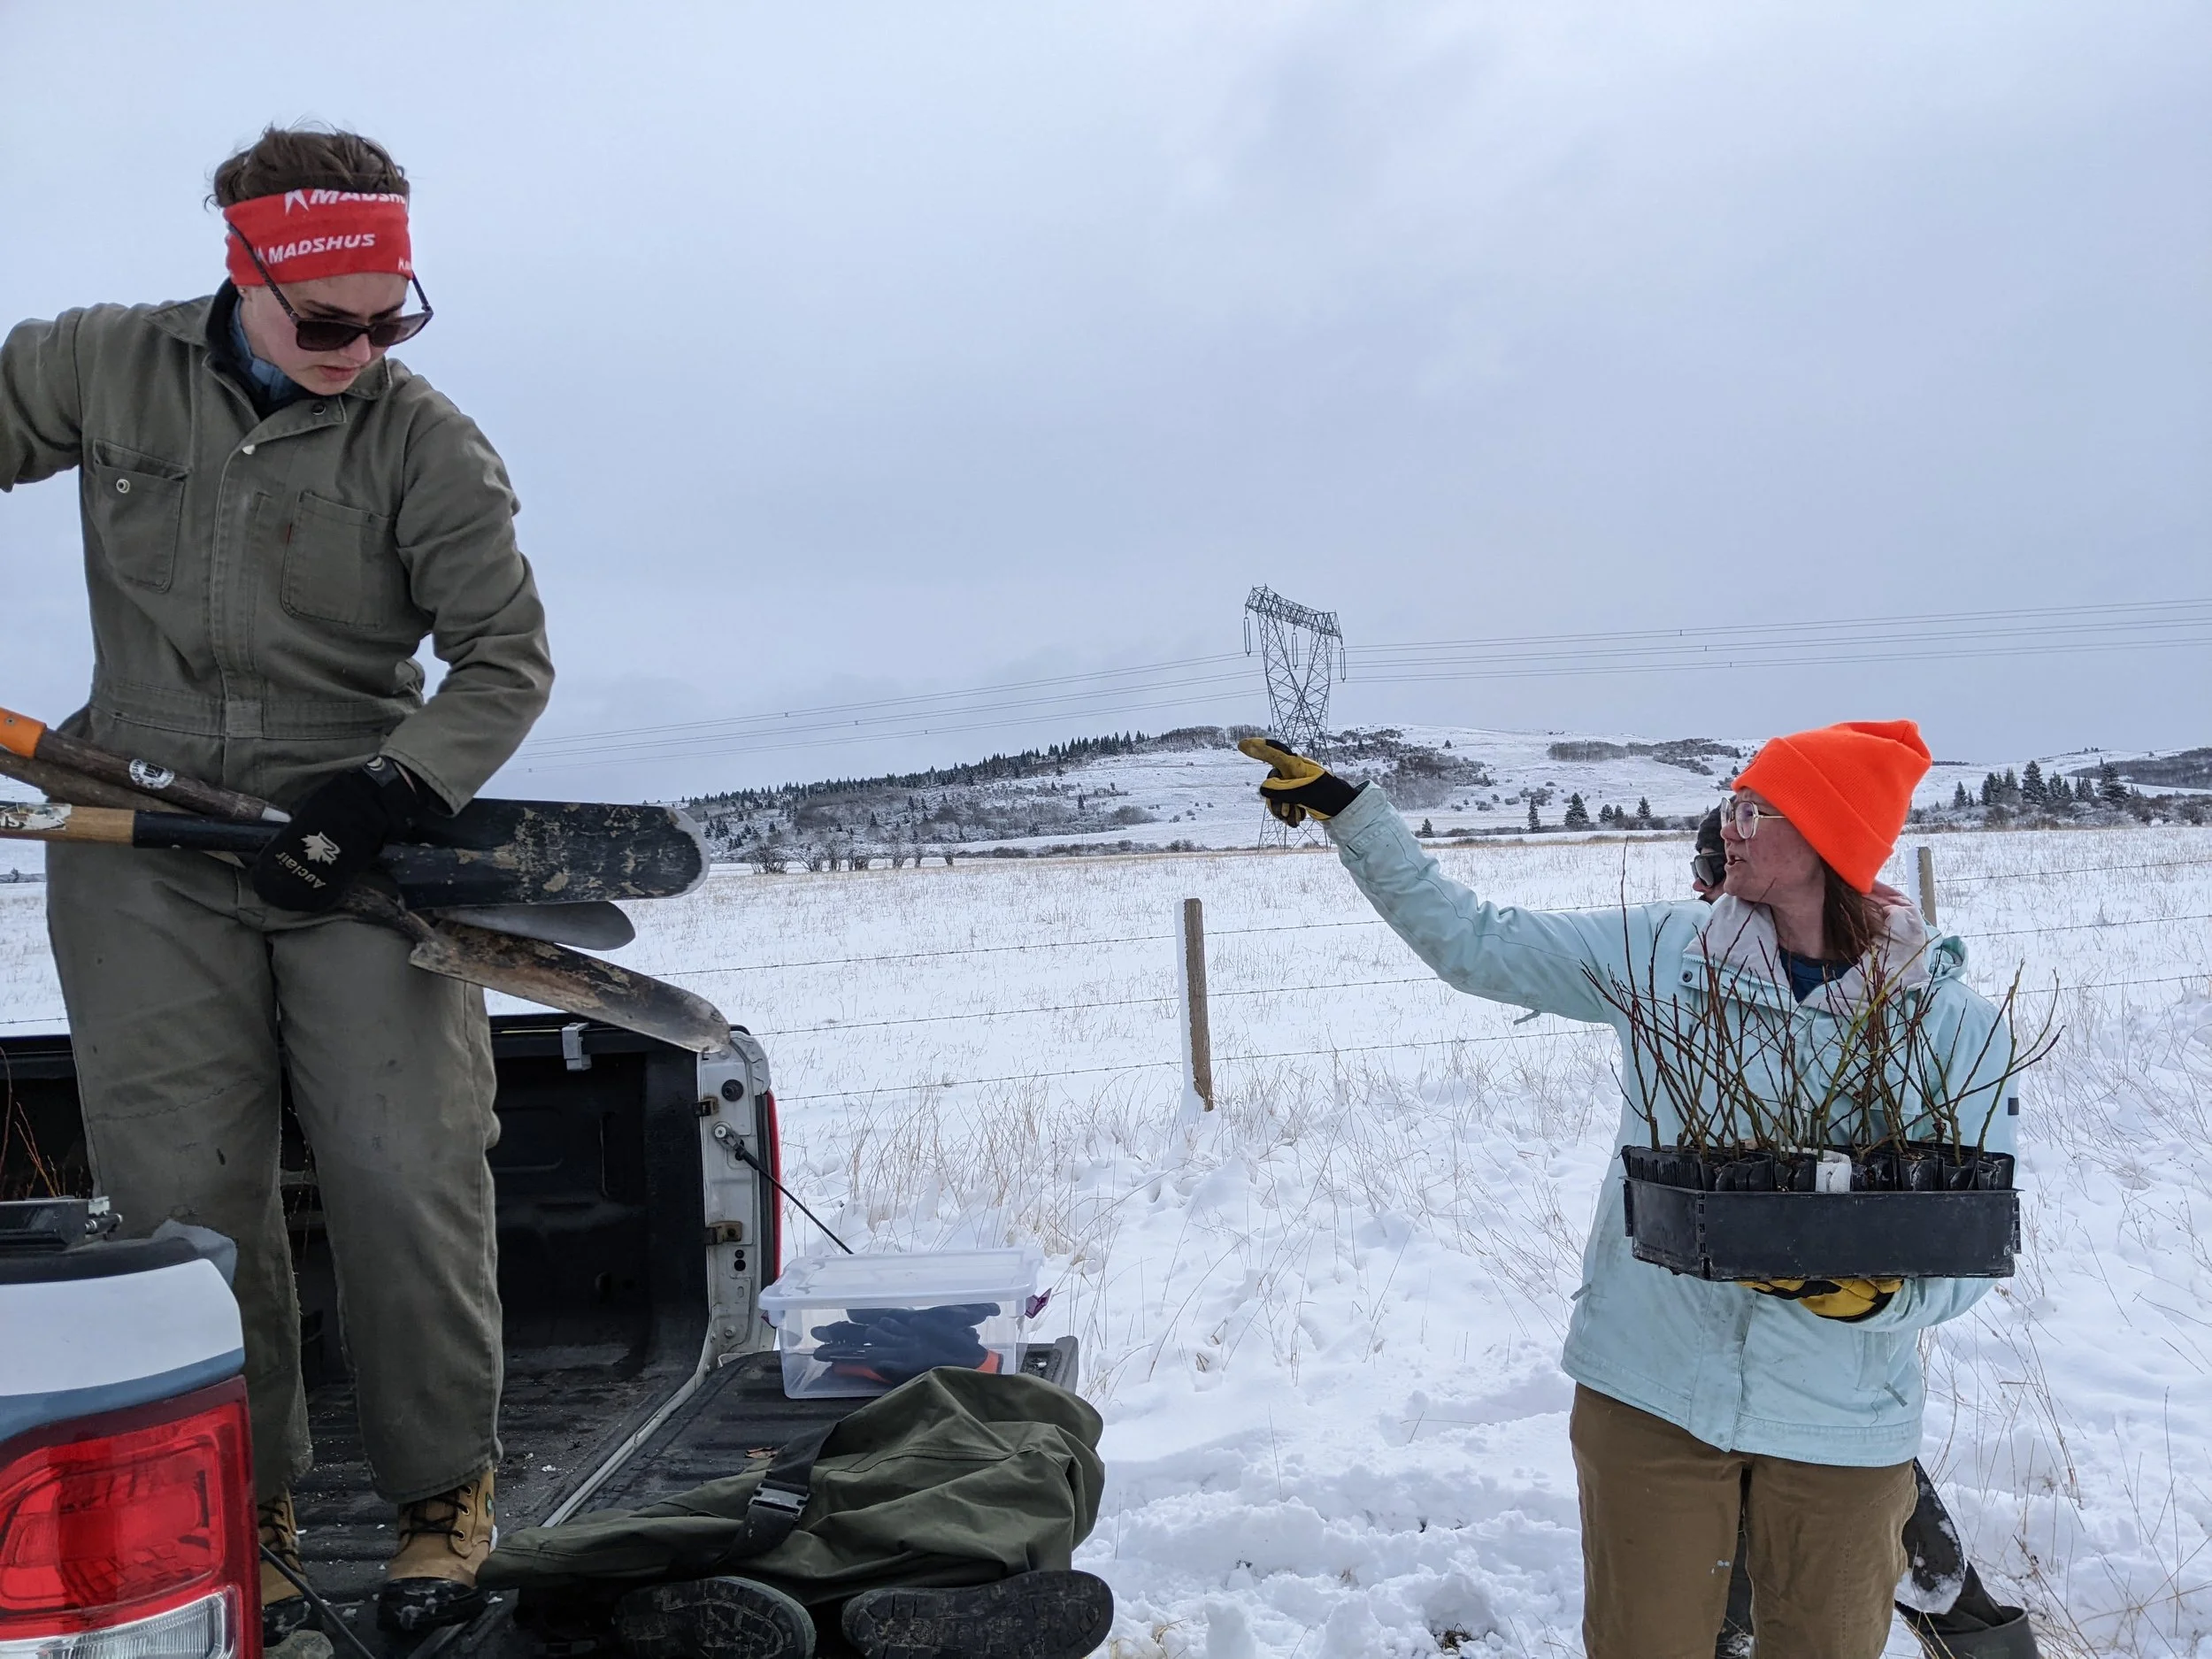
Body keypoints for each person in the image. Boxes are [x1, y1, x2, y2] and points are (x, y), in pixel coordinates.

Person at [1, 127, 555, 1643]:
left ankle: (445, 1494)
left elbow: (506, 658)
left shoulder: (424, 445)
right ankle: (245, 1496)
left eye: (393, 318)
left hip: (351, 836)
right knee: (183, 1192)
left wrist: (389, 790)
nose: (360, 350)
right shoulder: (103, 369)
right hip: (143, 827)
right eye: (327, 323)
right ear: (240, 272)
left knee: (405, 1165)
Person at [1242, 723, 2019, 1659]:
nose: (1727, 827)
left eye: (1755, 810)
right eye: (1731, 803)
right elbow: (1474, 944)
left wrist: (1885, 1300)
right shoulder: (1662, 958)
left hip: (1840, 1418)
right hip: (1652, 1390)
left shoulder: (1947, 1025)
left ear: (1829, 837)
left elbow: (1974, 1238)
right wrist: (1354, 817)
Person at [1688, 807, 2039, 1658]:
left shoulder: (1893, 1005)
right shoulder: (1719, 993)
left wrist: (1863, 1279)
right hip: (1734, 1367)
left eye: (1716, 881)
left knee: (1904, 1543)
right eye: (1705, 886)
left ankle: (1980, 1642)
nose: (1712, 901)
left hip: (1840, 1366)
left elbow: (1961, 1224)